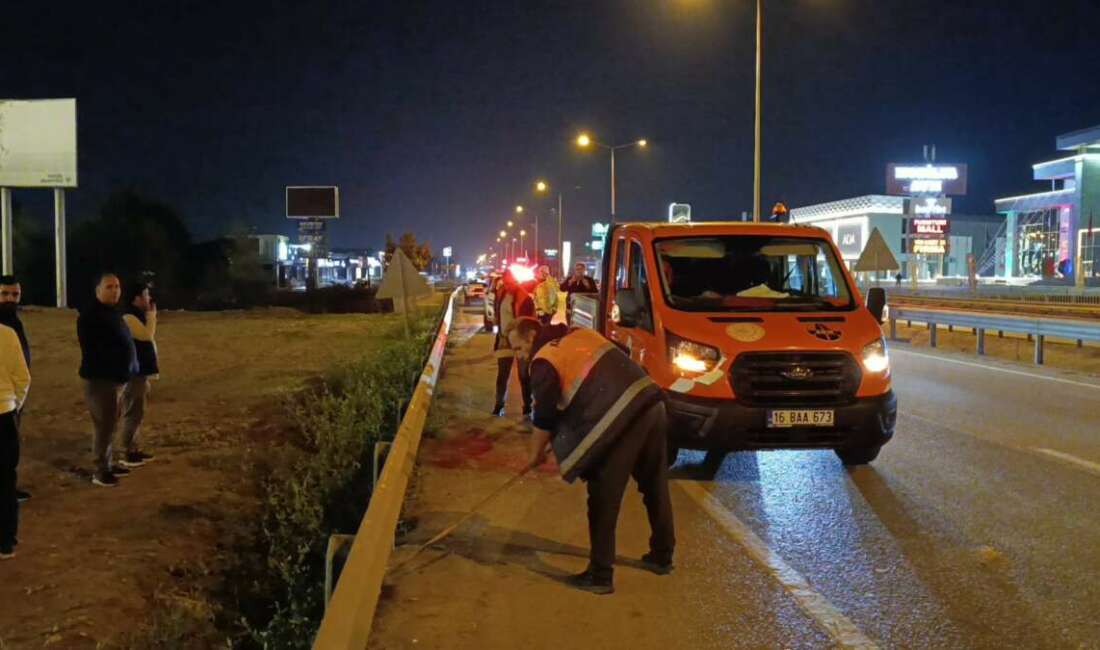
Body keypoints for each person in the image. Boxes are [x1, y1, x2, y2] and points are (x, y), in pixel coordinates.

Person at [509, 317, 675, 594]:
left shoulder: (543, 358)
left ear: (531, 336)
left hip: (622, 419)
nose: (520, 355)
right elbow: (612, 364)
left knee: (603, 498)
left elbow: (545, 415)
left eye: (518, 348)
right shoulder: (580, 334)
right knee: (654, 485)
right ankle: (662, 555)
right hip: (651, 404)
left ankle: (600, 575)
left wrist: (535, 452)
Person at [77, 273, 138, 487]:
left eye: (117, 286)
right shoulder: (91, 316)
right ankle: (100, 471)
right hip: (101, 380)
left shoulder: (112, 312)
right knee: (104, 426)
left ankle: (109, 464)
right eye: (109, 287)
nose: (115, 290)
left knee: (111, 424)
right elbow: (97, 351)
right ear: (97, 290)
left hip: (116, 380)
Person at [0, 305, 30, 560]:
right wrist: (13, 407)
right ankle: (5, 540)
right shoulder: (7, 334)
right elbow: (23, 378)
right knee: (5, 480)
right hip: (4, 416)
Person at [119, 282, 158, 468]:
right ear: (136, 299)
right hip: (133, 372)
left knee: (137, 412)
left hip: (140, 372)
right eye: (145, 295)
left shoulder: (136, 316)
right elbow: (146, 336)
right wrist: (152, 316)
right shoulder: (128, 317)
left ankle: (133, 449)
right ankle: (126, 451)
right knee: (133, 411)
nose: (148, 299)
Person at [0, 276, 31, 503]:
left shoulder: (14, 322)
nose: (10, 299)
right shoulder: (6, 328)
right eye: (4, 294)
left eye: (15, 294)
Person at [492, 271, 535, 417]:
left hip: (521, 341)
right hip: (504, 340)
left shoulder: (524, 298)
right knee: (502, 374)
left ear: (515, 281)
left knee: (523, 374)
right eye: (506, 283)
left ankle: (527, 406)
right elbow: (498, 312)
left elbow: (527, 322)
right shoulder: (501, 293)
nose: (508, 286)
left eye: (511, 283)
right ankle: (498, 404)